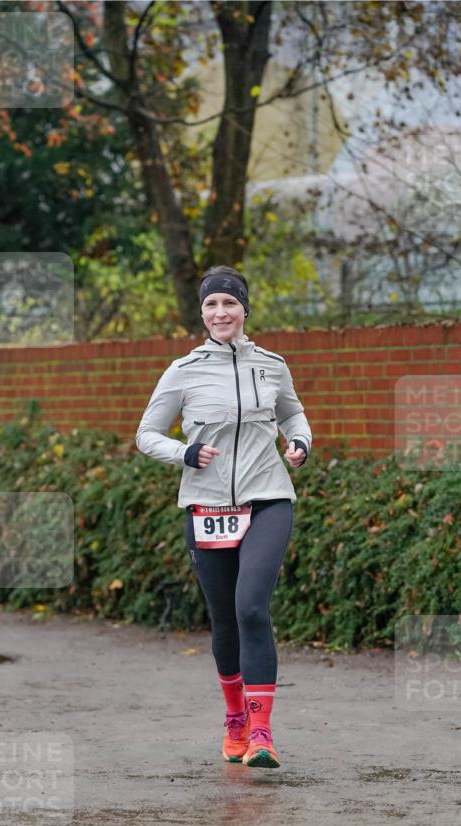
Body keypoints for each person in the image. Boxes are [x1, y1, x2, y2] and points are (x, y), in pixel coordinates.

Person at [135, 265, 311, 769]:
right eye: (211, 305)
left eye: (229, 303)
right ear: (202, 313)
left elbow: (292, 413)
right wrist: (184, 453)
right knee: (225, 619)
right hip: (207, 506)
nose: (220, 313)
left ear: (244, 309)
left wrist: (298, 442)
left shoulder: (272, 365)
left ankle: (262, 733)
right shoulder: (183, 371)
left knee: (252, 607)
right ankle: (234, 718)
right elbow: (146, 433)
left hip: (268, 498)